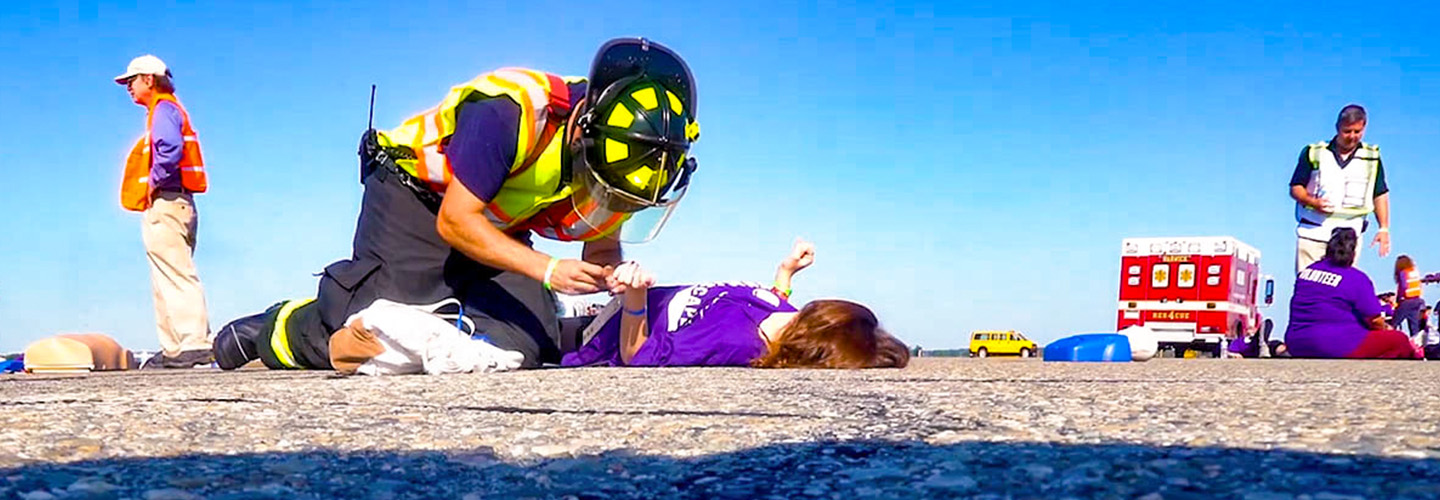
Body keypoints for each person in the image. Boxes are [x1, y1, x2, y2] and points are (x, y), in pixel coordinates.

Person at [215, 38, 701, 370]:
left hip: (496, 225)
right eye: (603, 189)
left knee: (529, 344)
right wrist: (549, 270)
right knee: (381, 315)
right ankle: (289, 323)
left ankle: (439, 318)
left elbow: (600, 249)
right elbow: (455, 220)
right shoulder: (511, 108)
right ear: (581, 129)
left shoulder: (637, 164)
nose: (607, 201)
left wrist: (611, 278)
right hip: (419, 199)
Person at [562, 239, 911, 368]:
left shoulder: (736, 343)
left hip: (593, 334)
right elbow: (777, 302)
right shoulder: (787, 314)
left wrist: (635, 295)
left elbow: (637, 355)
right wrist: (785, 273)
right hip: (607, 308)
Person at [115, 55, 213, 369]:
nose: (128, 87)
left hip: (167, 201)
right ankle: (174, 349)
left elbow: (169, 148)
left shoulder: (164, 109)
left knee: (175, 273)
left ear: (149, 79)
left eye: (132, 80)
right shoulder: (164, 109)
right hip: (173, 201)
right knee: (164, 276)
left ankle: (194, 344)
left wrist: (155, 181)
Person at [1283, 228, 1420, 359]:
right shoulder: (1356, 278)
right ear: (1353, 253)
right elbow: (1375, 320)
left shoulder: (1306, 272)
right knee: (1398, 339)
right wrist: (1387, 329)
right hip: (1334, 344)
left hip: (1297, 343)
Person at [1290, 104, 1391, 273]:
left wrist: (1384, 228)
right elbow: (1295, 188)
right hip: (1313, 232)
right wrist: (1312, 202)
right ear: (1337, 128)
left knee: (1342, 290)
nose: (1352, 136)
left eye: (1357, 132)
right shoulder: (1314, 152)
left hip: (1349, 237)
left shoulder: (1371, 158)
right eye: (1347, 131)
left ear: (1364, 128)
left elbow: (1380, 193)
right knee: (1309, 286)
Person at [1392, 255, 1425, 337]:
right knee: (1414, 327)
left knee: (1393, 324)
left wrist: (1398, 299)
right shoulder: (1414, 272)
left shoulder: (1403, 273)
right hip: (1417, 300)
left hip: (1407, 301)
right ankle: (1417, 347)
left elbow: (1403, 287)